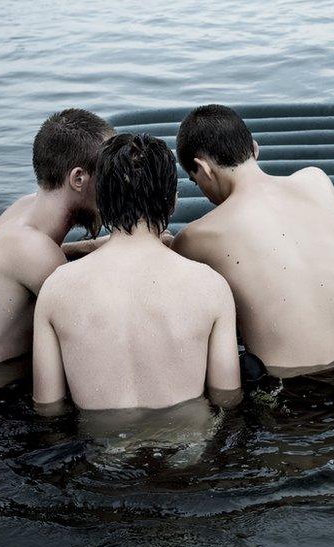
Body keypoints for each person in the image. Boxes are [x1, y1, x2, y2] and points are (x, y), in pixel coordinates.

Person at [32, 133, 241, 411]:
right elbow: (227, 397)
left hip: (101, 449)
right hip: (189, 445)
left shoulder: (56, 289)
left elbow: (48, 407)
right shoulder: (211, 287)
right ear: (173, 202)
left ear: (101, 202)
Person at [174, 104, 334, 380]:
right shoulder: (317, 181)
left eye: (195, 182)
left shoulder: (197, 236)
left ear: (203, 169)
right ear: (255, 148)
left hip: (282, 394)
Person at [0, 108, 115, 369]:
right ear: (78, 178)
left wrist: (93, 246)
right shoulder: (34, 251)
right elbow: (100, 328)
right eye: (108, 175)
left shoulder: (24, 208)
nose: (113, 187)